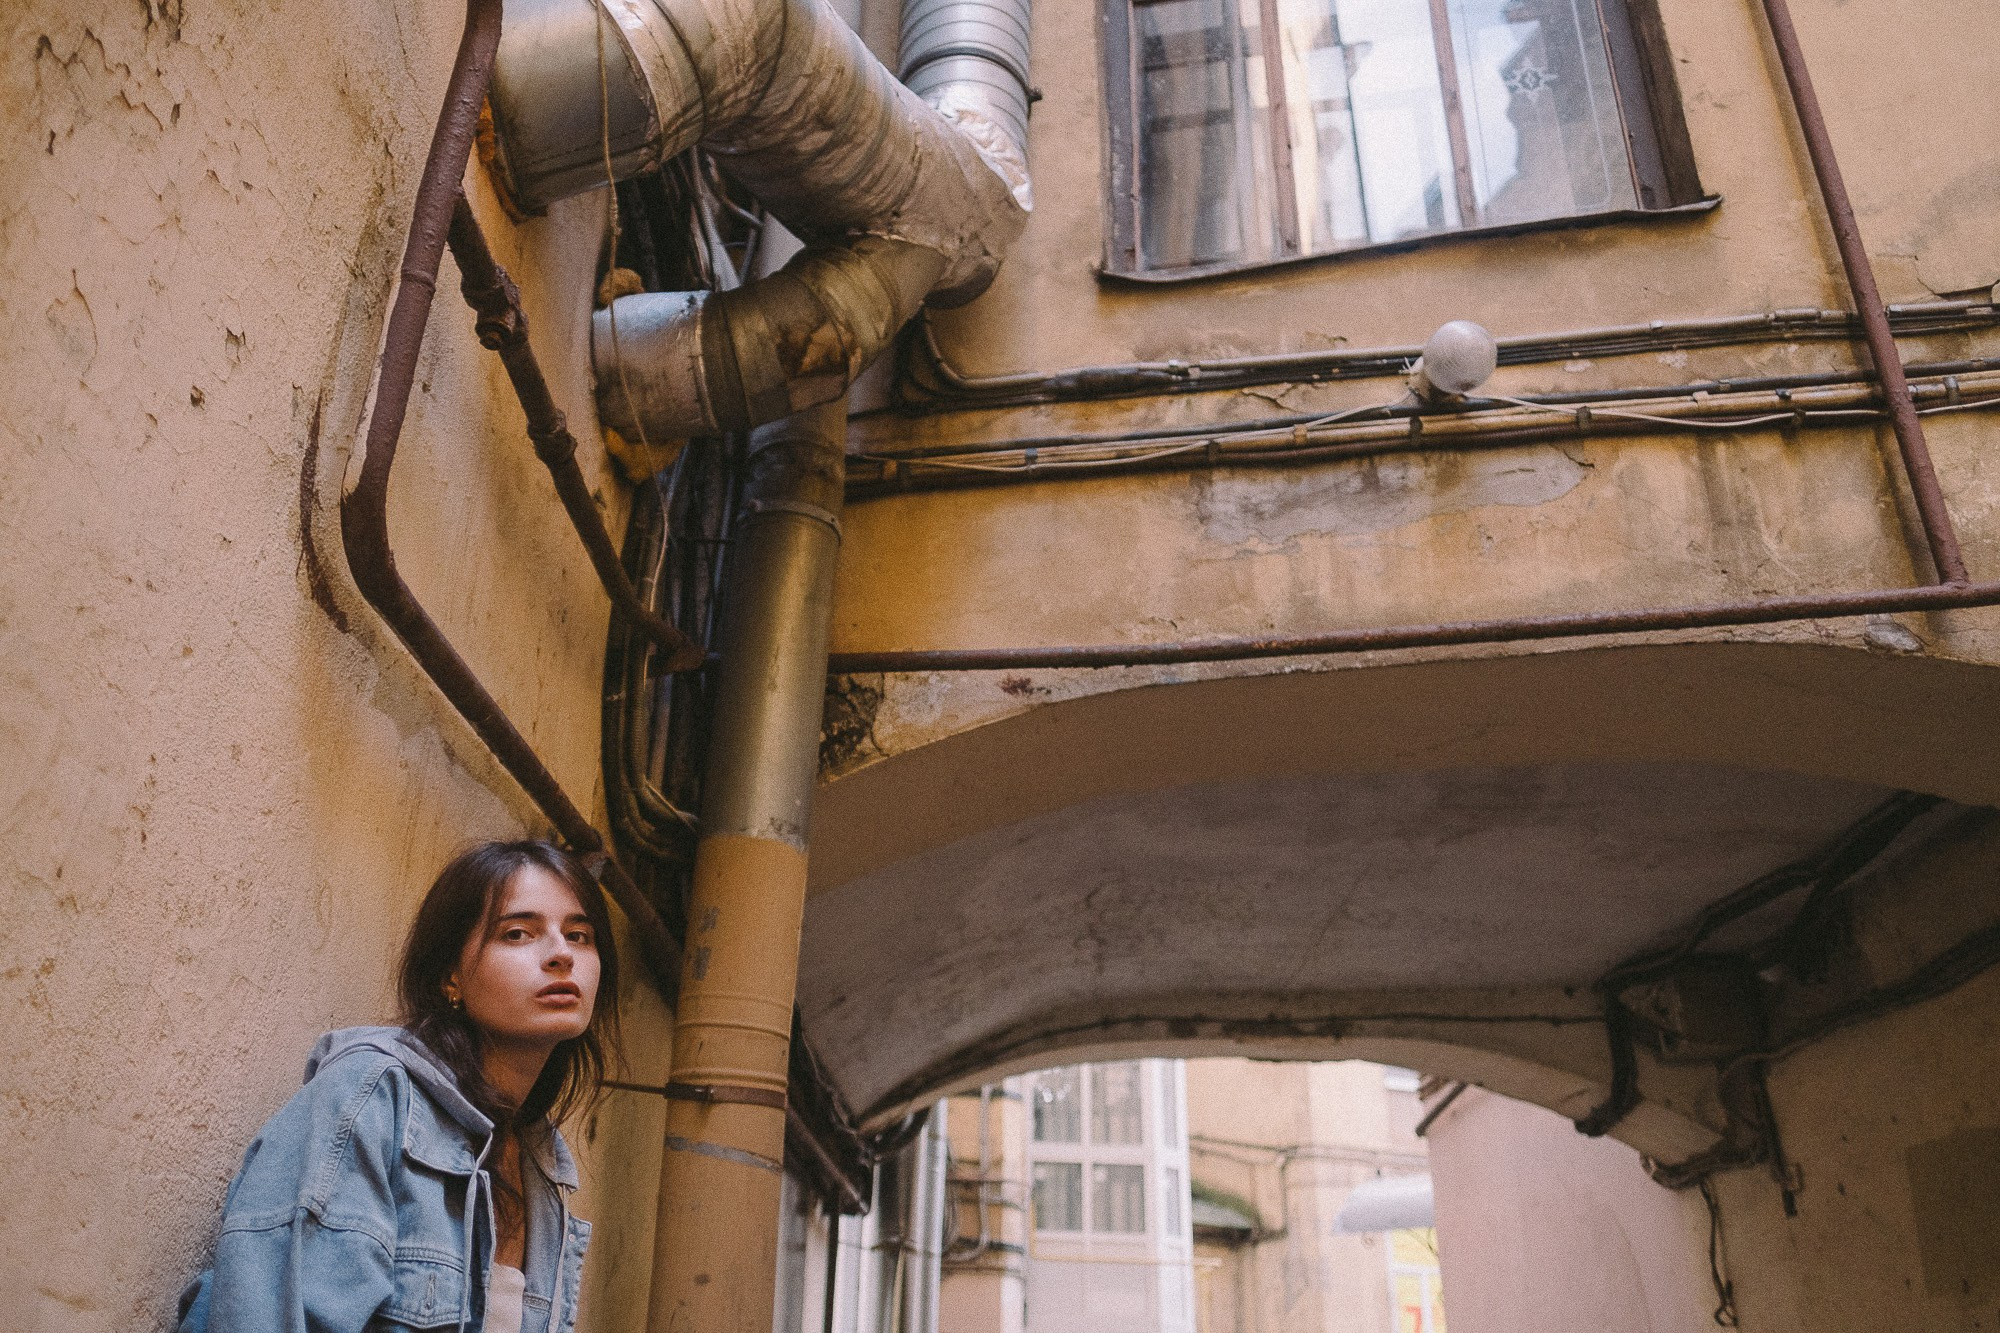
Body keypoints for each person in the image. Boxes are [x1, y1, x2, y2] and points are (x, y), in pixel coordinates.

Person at [176, 840, 621, 1332]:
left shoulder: (539, 1161)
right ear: (449, 976)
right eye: (517, 933)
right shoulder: (370, 1095)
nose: (561, 954)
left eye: (580, 935)